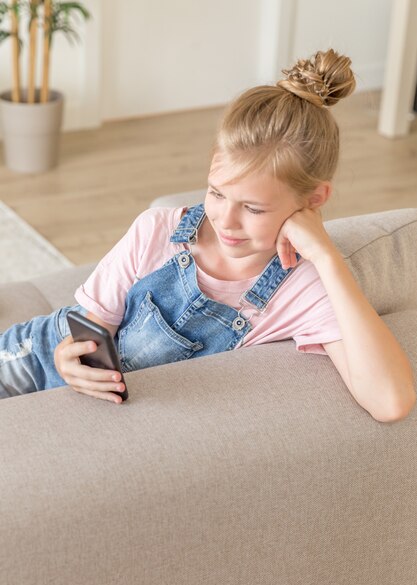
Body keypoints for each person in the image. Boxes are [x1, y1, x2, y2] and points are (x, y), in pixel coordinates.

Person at [0, 49, 415, 421]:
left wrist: (326, 256)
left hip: (90, 412)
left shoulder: (302, 287)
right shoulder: (157, 229)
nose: (225, 221)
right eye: (217, 193)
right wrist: (66, 357)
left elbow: (390, 402)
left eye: (253, 208)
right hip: (34, 355)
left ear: (314, 200)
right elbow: (90, 327)